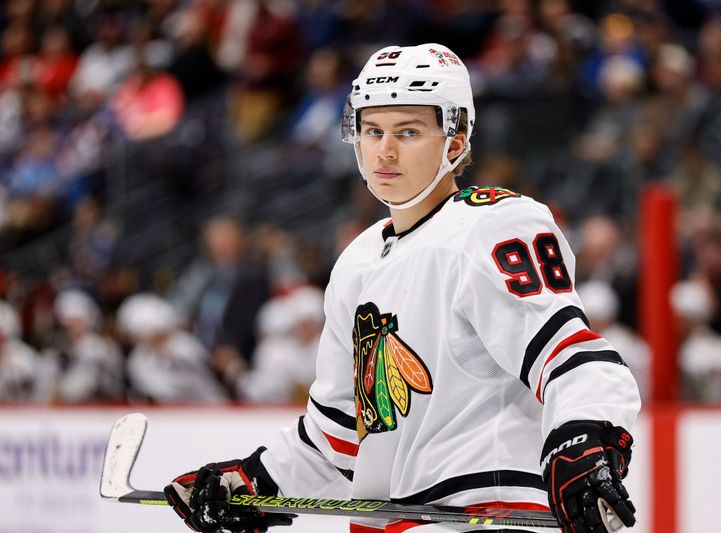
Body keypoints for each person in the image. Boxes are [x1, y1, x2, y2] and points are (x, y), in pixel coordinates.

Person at [165, 43, 640, 533]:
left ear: (455, 142)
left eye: (408, 132)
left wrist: (583, 435)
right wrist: (251, 483)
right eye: (373, 131)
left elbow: (569, 355)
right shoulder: (359, 260)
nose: (384, 151)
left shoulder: (496, 224)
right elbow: (340, 433)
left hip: (491, 519)